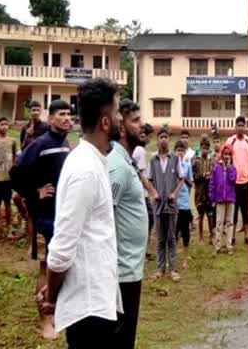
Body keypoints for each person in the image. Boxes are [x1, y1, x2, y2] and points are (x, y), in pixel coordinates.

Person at [39, 79, 121, 347]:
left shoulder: (93, 161)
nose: (120, 117)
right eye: (117, 112)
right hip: (88, 309)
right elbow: (62, 249)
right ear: (105, 122)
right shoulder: (85, 169)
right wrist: (51, 298)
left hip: (98, 300)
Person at [10, 99, 72, 340]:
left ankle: (56, 312)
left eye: (70, 114)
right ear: (52, 117)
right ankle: (44, 320)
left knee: (60, 264)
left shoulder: (66, 144)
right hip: (44, 217)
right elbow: (16, 173)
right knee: (46, 267)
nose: (68, 118)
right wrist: (35, 192)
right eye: (62, 114)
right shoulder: (40, 144)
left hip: (62, 215)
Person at [108, 99, 148, 349]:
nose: (141, 125)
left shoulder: (126, 162)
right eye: (135, 121)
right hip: (121, 272)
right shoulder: (117, 166)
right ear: (121, 128)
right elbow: (105, 216)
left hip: (131, 268)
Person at [149, 128, 186, 281]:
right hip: (158, 206)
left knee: (171, 237)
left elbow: (182, 178)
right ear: (157, 140)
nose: (163, 139)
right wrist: (154, 193)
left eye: (166, 137)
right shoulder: (153, 160)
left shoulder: (175, 159)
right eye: (161, 137)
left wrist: (174, 194)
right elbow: (150, 180)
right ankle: (160, 268)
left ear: (168, 140)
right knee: (160, 238)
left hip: (171, 206)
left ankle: (173, 269)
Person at [132, 124, 158, 260]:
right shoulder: (140, 151)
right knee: (148, 220)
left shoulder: (137, 150)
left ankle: (143, 249)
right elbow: (141, 175)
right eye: (143, 136)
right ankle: (143, 250)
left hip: (140, 192)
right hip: (141, 193)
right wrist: (152, 192)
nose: (146, 139)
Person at [226, 117, 248, 244]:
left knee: (245, 210)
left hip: (246, 181)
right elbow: (226, 158)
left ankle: (247, 236)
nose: (240, 127)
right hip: (233, 182)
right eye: (238, 125)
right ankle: (232, 237)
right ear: (235, 127)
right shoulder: (231, 141)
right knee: (233, 210)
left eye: (242, 125)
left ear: (245, 127)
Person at [211, 145, 237, 254]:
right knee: (219, 222)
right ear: (222, 155)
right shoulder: (217, 168)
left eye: (229, 154)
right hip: (220, 199)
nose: (226, 156)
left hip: (230, 198)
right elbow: (212, 184)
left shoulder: (233, 168)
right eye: (225, 154)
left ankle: (229, 245)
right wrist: (212, 198)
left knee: (229, 222)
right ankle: (217, 245)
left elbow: (233, 180)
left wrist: (230, 167)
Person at [0, 117, 17, 238]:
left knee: (8, 204)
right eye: (2, 124)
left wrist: (13, 170)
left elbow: (14, 157)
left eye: (6, 124)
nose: (4, 126)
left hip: (7, 178)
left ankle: (9, 228)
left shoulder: (12, 141)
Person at [193, 139, 215, 243]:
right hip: (200, 191)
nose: (205, 150)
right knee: (200, 215)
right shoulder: (196, 162)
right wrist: (202, 176)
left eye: (207, 148)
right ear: (200, 148)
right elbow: (194, 176)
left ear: (209, 149)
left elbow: (214, 175)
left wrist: (210, 177)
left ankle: (212, 235)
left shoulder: (211, 162)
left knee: (210, 214)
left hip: (209, 191)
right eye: (203, 148)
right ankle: (200, 237)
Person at [174, 141, 194, 248]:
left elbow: (191, 183)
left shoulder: (187, 165)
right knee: (174, 229)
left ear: (185, 152)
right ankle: (173, 253)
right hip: (174, 201)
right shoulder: (171, 165)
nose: (180, 153)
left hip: (185, 202)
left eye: (182, 151)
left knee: (185, 229)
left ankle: (186, 255)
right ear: (174, 152)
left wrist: (183, 177)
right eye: (178, 150)